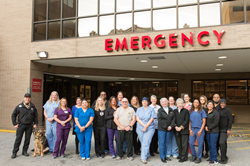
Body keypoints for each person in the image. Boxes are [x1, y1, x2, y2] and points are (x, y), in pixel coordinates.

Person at [11, 93, 38, 159]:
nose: (27, 99)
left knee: (27, 139)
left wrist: (35, 123)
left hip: (29, 126)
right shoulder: (19, 106)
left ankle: (24, 151)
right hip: (21, 125)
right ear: (24, 98)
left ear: (30, 99)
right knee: (18, 139)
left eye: (28, 98)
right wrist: (15, 123)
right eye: (26, 97)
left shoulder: (32, 107)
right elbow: (13, 115)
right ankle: (14, 152)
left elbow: (36, 116)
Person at [135, 97, 156, 164]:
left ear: (148, 102)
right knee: (143, 142)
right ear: (141, 102)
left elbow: (152, 118)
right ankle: (146, 154)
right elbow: (137, 119)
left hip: (149, 128)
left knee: (146, 142)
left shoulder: (151, 109)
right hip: (140, 128)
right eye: (143, 101)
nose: (144, 102)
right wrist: (144, 126)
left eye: (145, 101)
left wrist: (146, 126)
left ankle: (143, 158)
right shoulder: (139, 109)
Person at [189, 99, 207, 164]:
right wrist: (190, 129)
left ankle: (199, 157)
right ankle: (194, 155)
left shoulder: (202, 111)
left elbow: (204, 121)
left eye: (197, 102)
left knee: (200, 144)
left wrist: (200, 130)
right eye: (194, 102)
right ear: (193, 103)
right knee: (191, 143)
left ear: (199, 103)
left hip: (199, 129)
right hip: (192, 129)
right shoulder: (190, 111)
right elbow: (189, 121)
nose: (196, 103)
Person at [157, 98, 175, 163]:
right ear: (161, 103)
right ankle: (162, 157)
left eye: (165, 102)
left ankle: (165, 156)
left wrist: (171, 126)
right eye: (163, 102)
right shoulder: (159, 110)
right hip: (162, 129)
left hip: (169, 129)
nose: (164, 103)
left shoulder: (171, 110)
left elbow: (173, 119)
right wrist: (166, 126)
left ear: (167, 103)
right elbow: (159, 120)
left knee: (167, 143)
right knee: (162, 143)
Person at [173, 98, 189, 163]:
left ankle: (184, 157)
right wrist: (175, 126)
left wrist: (181, 127)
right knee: (179, 143)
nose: (180, 105)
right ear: (176, 104)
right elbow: (173, 120)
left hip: (184, 130)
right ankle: (180, 155)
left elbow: (186, 120)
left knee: (184, 144)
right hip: (176, 129)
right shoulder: (174, 111)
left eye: (181, 103)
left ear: (183, 104)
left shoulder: (186, 111)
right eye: (178, 103)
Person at [218, 99, 233, 164]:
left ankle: (223, 159)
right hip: (218, 129)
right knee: (224, 144)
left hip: (224, 130)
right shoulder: (218, 109)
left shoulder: (227, 110)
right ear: (220, 103)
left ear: (226, 104)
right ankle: (225, 156)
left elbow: (230, 120)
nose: (222, 104)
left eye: (224, 103)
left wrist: (229, 129)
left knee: (221, 143)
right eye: (221, 103)